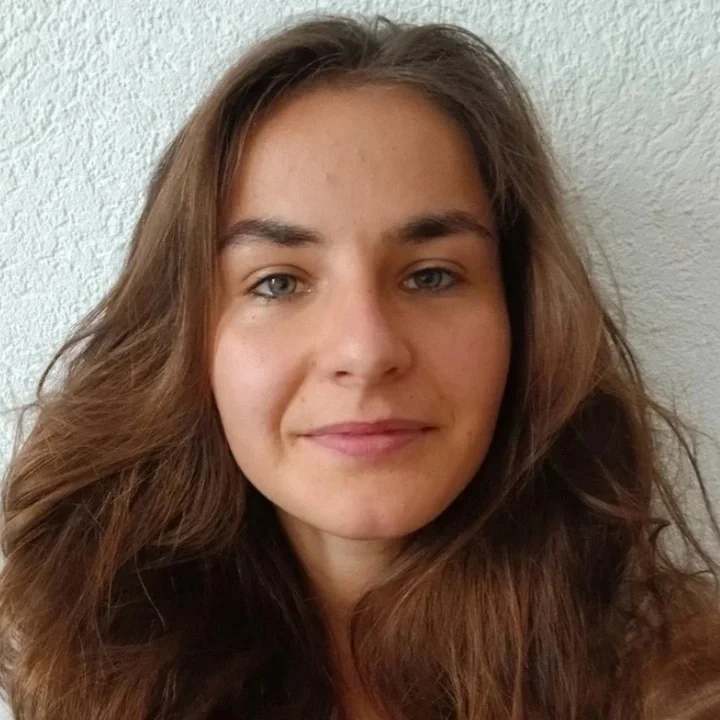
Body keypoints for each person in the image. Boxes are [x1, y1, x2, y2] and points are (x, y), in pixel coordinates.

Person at [1, 12, 719, 720]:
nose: (366, 351)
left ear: (525, 316)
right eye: (277, 283)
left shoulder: (674, 692)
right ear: (186, 339)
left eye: (431, 276)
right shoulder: (87, 679)